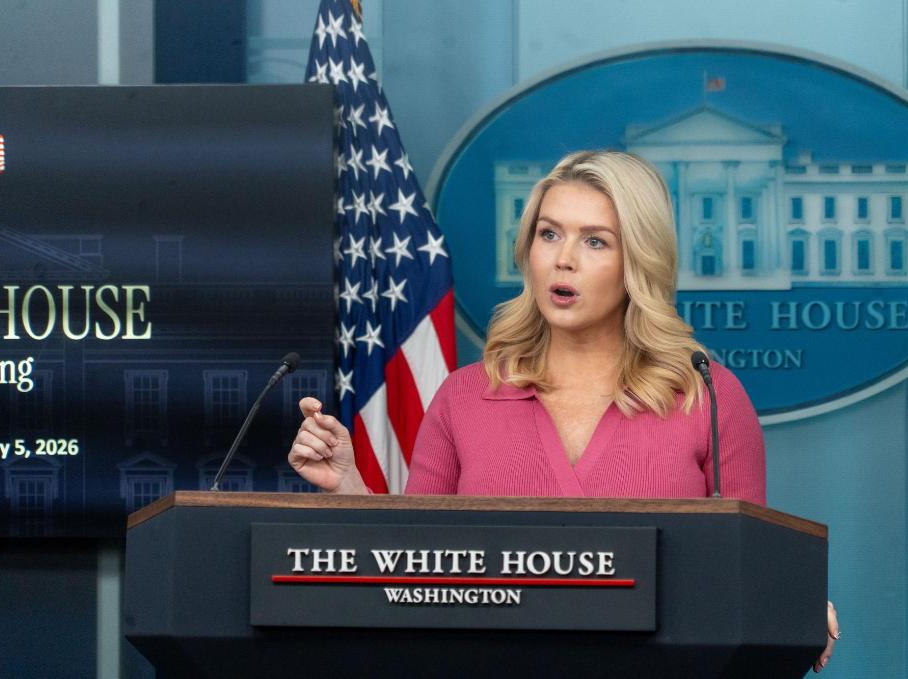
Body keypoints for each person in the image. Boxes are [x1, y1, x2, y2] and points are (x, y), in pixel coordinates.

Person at [288, 149, 839, 671]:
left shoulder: (706, 395)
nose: (564, 259)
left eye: (595, 241)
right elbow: (416, 571)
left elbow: (743, 567)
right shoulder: (465, 396)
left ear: (638, 260)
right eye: (549, 234)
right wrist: (349, 486)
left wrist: (790, 602)